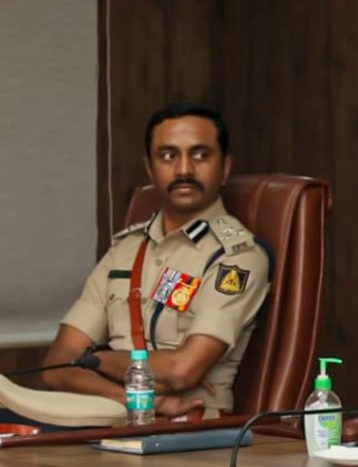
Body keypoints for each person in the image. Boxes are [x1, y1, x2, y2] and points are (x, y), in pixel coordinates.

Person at [7, 103, 272, 429]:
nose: (184, 169)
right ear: (150, 169)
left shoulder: (237, 257)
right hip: (113, 422)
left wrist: (97, 361)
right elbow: (59, 365)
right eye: (168, 155)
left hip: (188, 430)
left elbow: (181, 371)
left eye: (200, 155)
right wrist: (149, 398)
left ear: (225, 167)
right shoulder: (125, 251)